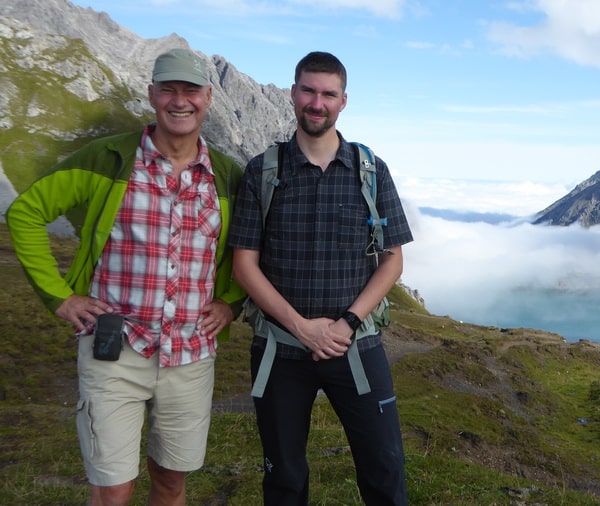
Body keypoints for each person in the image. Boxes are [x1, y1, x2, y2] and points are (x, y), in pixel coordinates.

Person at [6, 47, 246, 506]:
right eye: (169, 90)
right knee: (113, 489)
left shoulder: (227, 176)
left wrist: (230, 302)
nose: (180, 101)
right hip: (114, 351)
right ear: (152, 94)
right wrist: (60, 296)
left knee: (171, 482)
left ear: (208, 98)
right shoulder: (109, 158)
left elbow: (246, 248)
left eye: (191, 91)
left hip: (191, 354)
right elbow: (26, 212)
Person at [229, 51, 413, 505]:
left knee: (384, 469)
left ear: (343, 101)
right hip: (281, 350)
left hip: (357, 346)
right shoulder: (263, 171)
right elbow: (244, 265)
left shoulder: (371, 171)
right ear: (293, 94)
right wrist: (302, 328)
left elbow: (392, 260)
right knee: (284, 477)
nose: (317, 103)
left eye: (328, 94)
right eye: (309, 91)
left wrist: (347, 323)